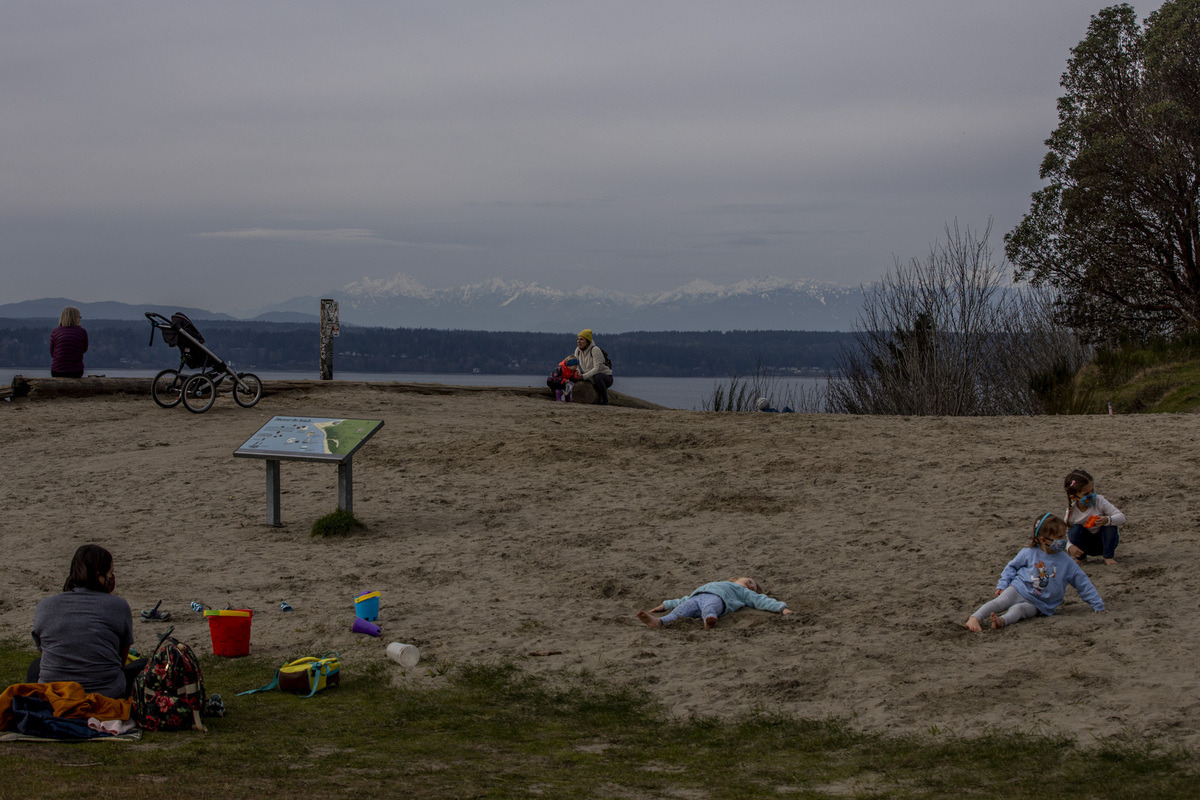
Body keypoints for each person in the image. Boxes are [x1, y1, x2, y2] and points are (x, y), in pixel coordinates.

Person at [27, 545, 144, 699]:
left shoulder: (44, 606)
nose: (112, 578)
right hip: (106, 695)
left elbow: (46, 652)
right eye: (110, 573)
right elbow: (120, 661)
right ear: (99, 575)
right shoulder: (118, 606)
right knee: (143, 665)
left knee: (37, 666)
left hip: (54, 695)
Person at [964, 513, 1105, 632]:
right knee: (1000, 602)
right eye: (1060, 537)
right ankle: (975, 618)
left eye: (1064, 536)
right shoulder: (1028, 553)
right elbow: (1011, 567)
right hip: (1019, 588)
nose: (1064, 541)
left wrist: (1098, 606)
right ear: (1043, 540)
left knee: (1019, 611)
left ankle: (1001, 621)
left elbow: (1083, 583)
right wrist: (1003, 584)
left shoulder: (1067, 562)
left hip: (1040, 603)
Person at [637, 577, 792, 630]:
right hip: (696, 598)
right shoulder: (717, 583)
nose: (751, 586)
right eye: (749, 581)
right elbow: (684, 599)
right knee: (679, 610)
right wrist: (665, 605)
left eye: (754, 587)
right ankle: (658, 622)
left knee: (710, 608)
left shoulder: (742, 591)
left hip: (718, 600)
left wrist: (781, 608)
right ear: (735, 579)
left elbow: (761, 600)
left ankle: (709, 621)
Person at [1063, 468, 1126, 565]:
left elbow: (1121, 517)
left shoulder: (1100, 501)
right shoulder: (1071, 512)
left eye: (1092, 491)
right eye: (1086, 494)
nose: (1091, 495)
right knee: (1074, 530)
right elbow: (1065, 535)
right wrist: (1070, 547)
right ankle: (1082, 558)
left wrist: (1107, 520)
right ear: (1074, 497)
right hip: (1085, 545)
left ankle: (1108, 557)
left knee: (1110, 525)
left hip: (1105, 542)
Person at [573, 329, 614, 405]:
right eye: (578, 339)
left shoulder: (595, 350)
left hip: (605, 377)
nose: (579, 341)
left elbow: (597, 369)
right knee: (571, 375)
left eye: (581, 339)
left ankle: (605, 401)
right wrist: (578, 374)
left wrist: (583, 377)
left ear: (587, 341)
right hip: (588, 376)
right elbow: (576, 365)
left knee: (597, 377)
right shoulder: (577, 350)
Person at [49, 306, 88, 378]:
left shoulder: (55, 332)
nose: (80, 319)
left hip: (57, 371)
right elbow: (84, 349)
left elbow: (52, 353)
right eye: (79, 317)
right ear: (75, 318)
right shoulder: (82, 332)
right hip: (76, 371)